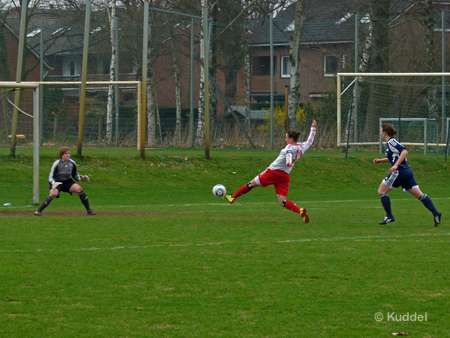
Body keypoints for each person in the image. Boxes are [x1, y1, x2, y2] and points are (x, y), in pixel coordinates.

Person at [225, 120, 317, 223]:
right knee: (283, 201)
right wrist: (313, 128)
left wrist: (289, 162)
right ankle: (300, 210)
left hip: (273, 172)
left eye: (286, 137)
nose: (285, 139)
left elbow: (289, 153)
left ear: (291, 139)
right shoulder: (302, 146)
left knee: (251, 184)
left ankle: (233, 197)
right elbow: (310, 140)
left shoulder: (289, 147)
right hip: (284, 176)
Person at [373, 123, 442, 226]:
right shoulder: (391, 143)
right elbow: (394, 157)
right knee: (419, 195)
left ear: (384, 133)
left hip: (400, 172)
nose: (381, 134)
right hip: (406, 171)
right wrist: (381, 161)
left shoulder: (391, 142)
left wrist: (395, 165)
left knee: (381, 191)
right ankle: (436, 213)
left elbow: (404, 152)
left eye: (381, 132)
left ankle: (389, 216)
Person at [34, 147, 96, 216]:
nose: (68, 155)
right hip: (58, 183)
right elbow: (50, 177)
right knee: (53, 194)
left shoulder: (72, 163)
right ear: (61, 155)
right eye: (66, 153)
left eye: (69, 153)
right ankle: (39, 211)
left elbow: (74, 174)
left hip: (68, 182)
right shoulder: (56, 163)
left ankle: (89, 210)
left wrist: (80, 178)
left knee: (79, 189)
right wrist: (53, 183)